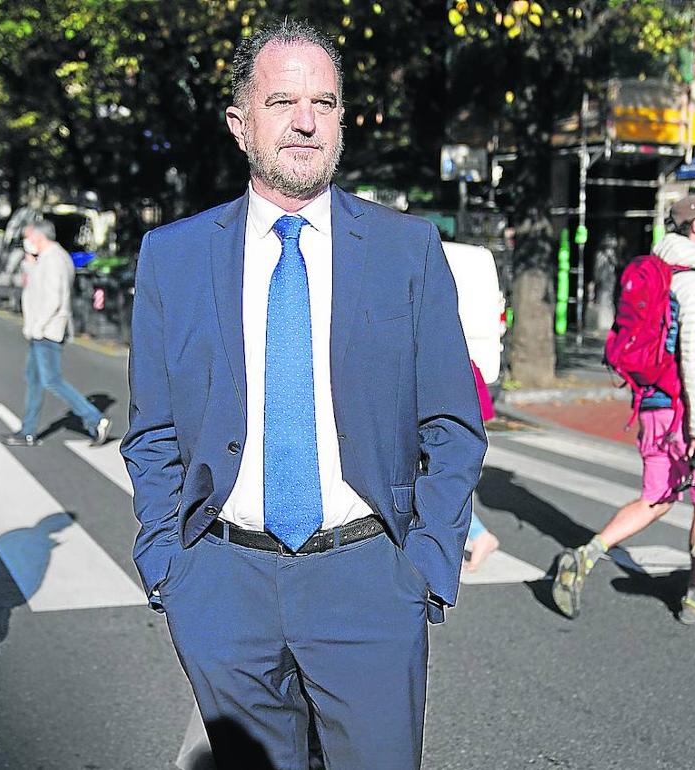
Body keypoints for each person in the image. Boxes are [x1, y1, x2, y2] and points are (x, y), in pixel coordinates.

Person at [122, 20, 486, 769]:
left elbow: (453, 422)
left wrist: (424, 564)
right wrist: (171, 566)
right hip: (222, 584)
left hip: (367, 581)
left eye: (324, 101)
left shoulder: (405, 248)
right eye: (282, 99)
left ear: (343, 120)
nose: (305, 119)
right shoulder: (173, 256)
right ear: (240, 121)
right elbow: (152, 430)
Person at [552, 193, 695, 625]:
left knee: (657, 497)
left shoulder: (656, 270)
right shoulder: (693, 280)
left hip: (653, 402)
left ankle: (587, 554)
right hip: (691, 405)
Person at [4, 219, 110, 447]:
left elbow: (54, 298)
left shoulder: (55, 259)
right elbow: (33, 287)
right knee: (33, 379)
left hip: (49, 330)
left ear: (39, 238)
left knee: (51, 380)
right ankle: (28, 431)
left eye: (29, 237)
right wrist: (30, 263)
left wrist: (38, 327)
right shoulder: (45, 259)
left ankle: (95, 418)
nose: (26, 242)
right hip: (40, 329)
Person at [442, 239, 506, 571]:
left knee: (434, 478)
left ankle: (478, 534)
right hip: (464, 394)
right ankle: (478, 534)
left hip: (451, 400)